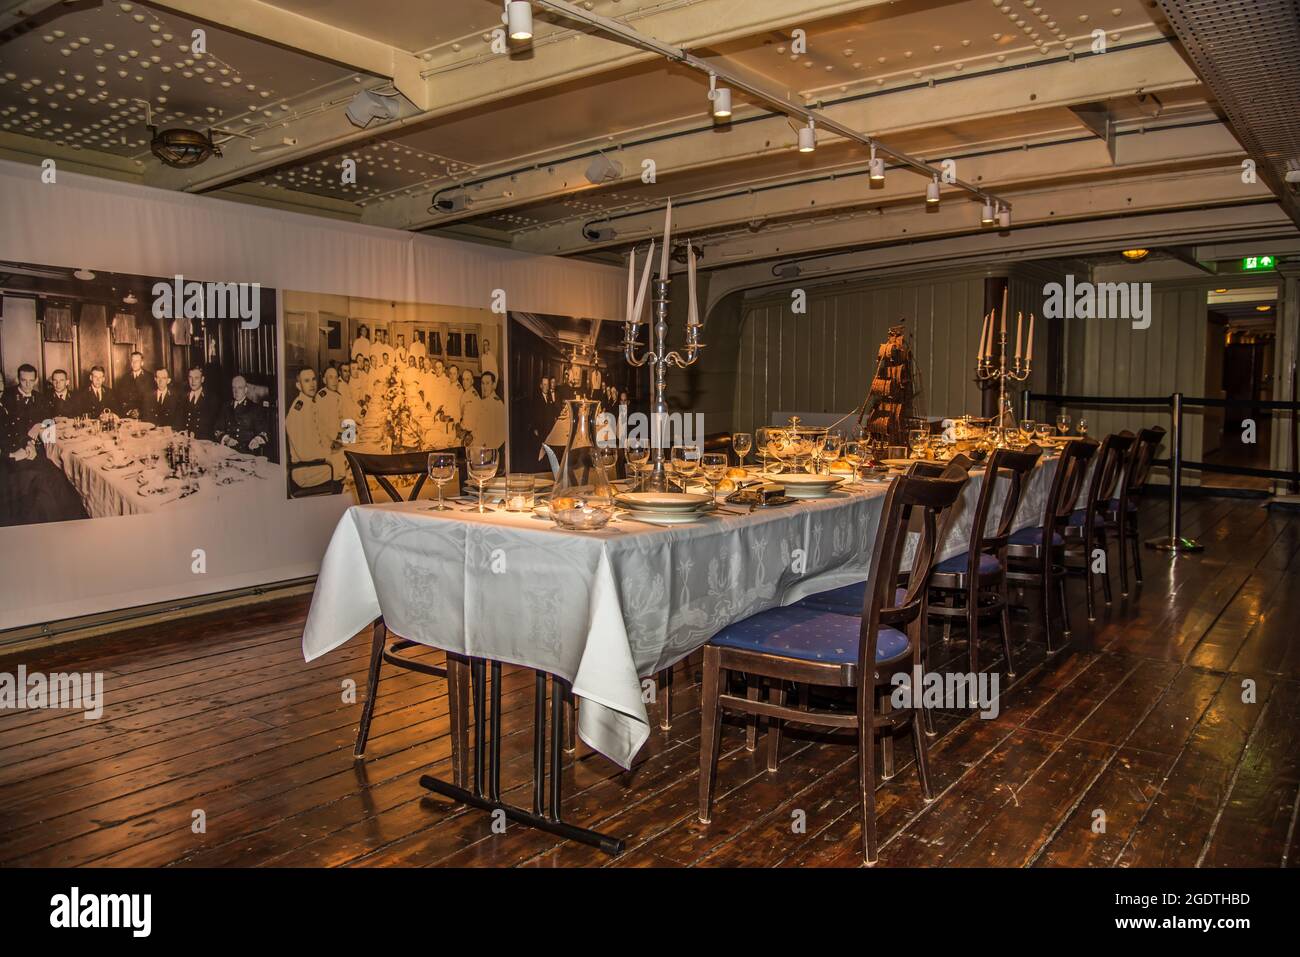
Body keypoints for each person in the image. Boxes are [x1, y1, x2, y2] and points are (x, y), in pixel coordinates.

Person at [0, 373, 86, 527]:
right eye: (23, 380)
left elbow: (14, 430)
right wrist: (12, 455)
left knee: (59, 476)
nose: (27, 384)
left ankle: (74, 524)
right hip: (7, 465)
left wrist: (28, 443)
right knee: (47, 481)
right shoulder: (9, 399)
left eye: (0, 382)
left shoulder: (28, 399)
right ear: (18, 380)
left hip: (22, 451)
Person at [286, 367, 341, 493]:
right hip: (306, 470)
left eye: (313, 379)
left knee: (349, 455)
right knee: (350, 463)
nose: (312, 384)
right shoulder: (297, 412)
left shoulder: (309, 403)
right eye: (306, 381)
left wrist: (332, 445)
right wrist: (329, 451)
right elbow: (305, 454)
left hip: (317, 462)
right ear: (298, 385)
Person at [215, 376, 269, 455]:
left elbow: (264, 432)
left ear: (246, 389)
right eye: (234, 388)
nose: (236, 391)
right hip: (228, 451)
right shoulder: (226, 407)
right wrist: (226, 439)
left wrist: (256, 441)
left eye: (240, 388)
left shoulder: (254, 408)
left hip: (248, 453)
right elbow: (218, 429)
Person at [180, 367, 221, 439]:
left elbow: (212, 425)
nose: (193, 381)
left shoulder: (211, 398)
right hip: (185, 439)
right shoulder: (183, 396)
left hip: (203, 441)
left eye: (196, 378)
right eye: (190, 377)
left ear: (202, 379)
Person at [118, 351, 152, 418]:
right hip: (129, 414)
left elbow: (151, 400)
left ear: (142, 363)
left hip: (145, 414)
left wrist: (140, 411)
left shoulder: (150, 377)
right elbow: (122, 399)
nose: (134, 363)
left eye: (137, 361)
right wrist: (130, 411)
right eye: (132, 361)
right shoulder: (124, 378)